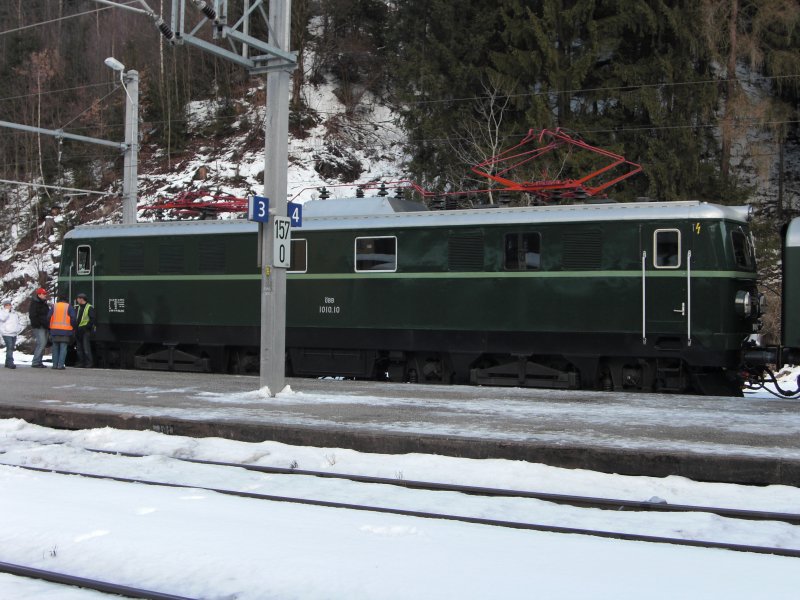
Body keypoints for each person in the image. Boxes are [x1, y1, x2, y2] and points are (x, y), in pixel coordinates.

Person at [47, 295, 76, 370]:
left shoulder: (54, 306)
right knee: (63, 348)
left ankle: (54, 365)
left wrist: (49, 327)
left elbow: (48, 317)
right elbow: (73, 318)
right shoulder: (68, 307)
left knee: (55, 348)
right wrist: (73, 327)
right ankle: (60, 365)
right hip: (65, 331)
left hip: (54, 330)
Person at [28, 287, 50, 368]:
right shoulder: (35, 303)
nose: (45, 295)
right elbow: (32, 315)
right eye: (43, 294)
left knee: (42, 344)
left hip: (45, 326)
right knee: (41, 343)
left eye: (45, 294)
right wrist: (37, 324)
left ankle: (39, 361)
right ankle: (36, 361)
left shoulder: (43, 303)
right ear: (39, 294)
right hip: (39, 326)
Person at [74, 292, 96, 368]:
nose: (77, 300)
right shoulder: (78, 307)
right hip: (78, 330)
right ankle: (81, 362)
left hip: (85, 331)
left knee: (86, 348)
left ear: (82, 299)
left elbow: (92, 319)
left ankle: (89, 363)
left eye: (78, 298)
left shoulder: (89, 308)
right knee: (79, 348)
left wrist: (86, 327)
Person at [0, 300, 21, 369]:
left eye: (9, 305)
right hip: (6, 333)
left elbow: (17, 322)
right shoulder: (2, 312)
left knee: (11, 348)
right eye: (7, 305)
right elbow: (3, 319)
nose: (8, 306)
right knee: (9, 347)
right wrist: (6, 311)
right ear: (4, 306)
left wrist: (18, 328)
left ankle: (7, 362)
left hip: (14, 333)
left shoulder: (14, 313)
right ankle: (10, 363)